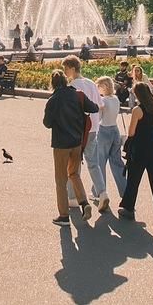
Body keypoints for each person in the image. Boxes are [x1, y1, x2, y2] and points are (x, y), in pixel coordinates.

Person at [42, 69, 99, 226]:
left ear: (53, 84)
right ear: (66, 81)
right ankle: (84, 203)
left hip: (61, 144)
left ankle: (64, 216)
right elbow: (94, 108)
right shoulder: (76, 94)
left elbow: (47, 124)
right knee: (74, 174)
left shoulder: (53, 100)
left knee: (60, 180)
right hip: (77, 142)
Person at [119, 81, 153, 225]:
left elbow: (131, 132)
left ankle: (128, 208)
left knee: (134, 179)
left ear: (137, 94)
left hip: (139, 148)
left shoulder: (138, 110)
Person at [62, 56, 105, 209]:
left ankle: (73, 198)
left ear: (73, 68)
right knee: (93, 164)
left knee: (73, 165)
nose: (64, 72)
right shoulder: (91, 83)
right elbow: (100, 105)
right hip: (93, 128)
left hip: (78, 130)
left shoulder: (72, 86)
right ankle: (102, 193)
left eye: (66, 69)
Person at [92, 76, 127, 212]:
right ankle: (125, 191)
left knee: (100, 162)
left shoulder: (103, 101)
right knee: (117, 163)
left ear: (104, 87)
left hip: (104, 131)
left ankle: (99, 192)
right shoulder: (116, 99)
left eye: (98, 87)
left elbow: (98, 118)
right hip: (115, 130)